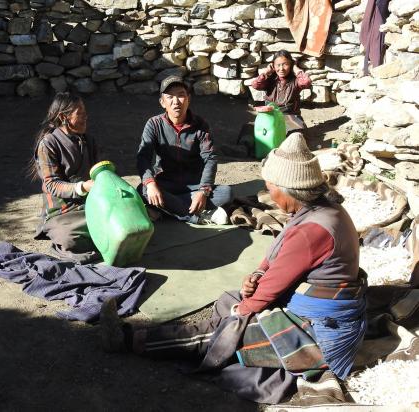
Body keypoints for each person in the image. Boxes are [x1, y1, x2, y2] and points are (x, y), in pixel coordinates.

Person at [101, 132, 367, 403]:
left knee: (225, 330)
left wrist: (244, 311)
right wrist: (258, 274)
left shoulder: (312, 229)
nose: (270, 194)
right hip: (317, 310)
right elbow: (277, 262)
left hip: (319, 332)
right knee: (232, 303)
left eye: (270, 186)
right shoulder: (317, 211)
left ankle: (128, 339)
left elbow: (270, 288)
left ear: (289, 189)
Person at [136, 75, 235, 225]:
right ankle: (198, 215)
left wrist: (203, 191)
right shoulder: (154, 124)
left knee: (226, 193)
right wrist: (150, 183)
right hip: (166, 181)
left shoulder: (200, 125)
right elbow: (143, 156)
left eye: (181, 95)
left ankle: (167, 209)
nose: (176, 102)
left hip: (194, 183)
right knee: (143, 191)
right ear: (162, 102)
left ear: (188, 98)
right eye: (170, 97)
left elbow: (210, 159)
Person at [31, 92, 100, 264]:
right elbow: (52, 184)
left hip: (88, 205)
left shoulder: (88, 140)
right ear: (64, 117)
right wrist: (82, 187)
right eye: (80, 113)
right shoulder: (48, 144)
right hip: (61, 213)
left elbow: (98, 171)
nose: (86, 117)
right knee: (71, 239)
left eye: (85, 113)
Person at [251, 50, 312, 134]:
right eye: (278, 65)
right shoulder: (270, 79)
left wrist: (296, 69)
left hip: (290, 116)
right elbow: (255, 85)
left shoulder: (296, 80)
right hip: (271, 115)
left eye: (285, 64)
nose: (281, 69)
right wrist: (266, 73)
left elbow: (306, 82)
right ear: (273, 66)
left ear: (291, 65)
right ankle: (244, 146)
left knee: (294, 133)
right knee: (252, 129)